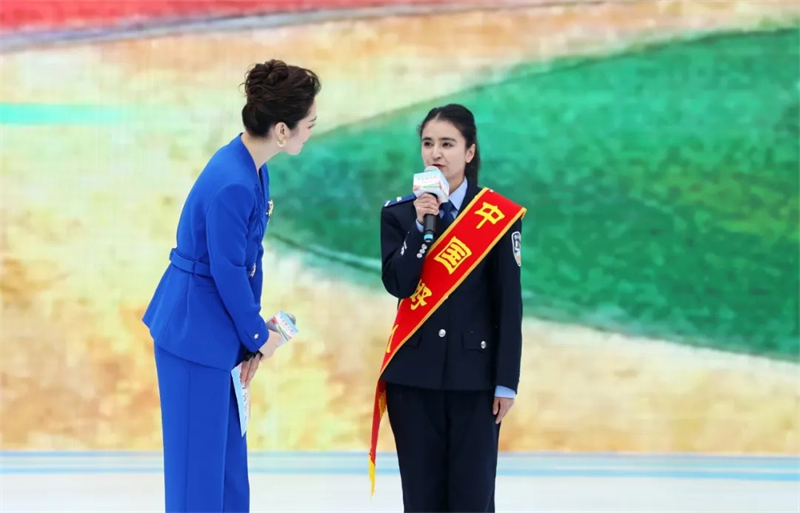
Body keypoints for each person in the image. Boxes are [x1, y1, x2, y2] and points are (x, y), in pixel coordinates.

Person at [142, 59, 321, 513]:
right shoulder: (234, 183)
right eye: (309, 124)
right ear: (282, 130)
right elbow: (228, 271)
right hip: (194, 335)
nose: (310, 132)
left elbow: (240, 264)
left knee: (227, 476)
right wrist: (259, 336)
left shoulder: (253, 168)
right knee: (197, 481)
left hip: (217, 331)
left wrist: (249, 338)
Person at [369, 103, 526, 512]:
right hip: (413, 379)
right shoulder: (399, 214)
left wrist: (506, 381)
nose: (435, 153)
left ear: (469, 152)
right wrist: (421, 227)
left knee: (473, 498)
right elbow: (399, 284)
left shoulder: (496, 216)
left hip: (475, 380)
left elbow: (508, 305)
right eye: (428, 143)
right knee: (421, 499)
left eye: (447, 144)